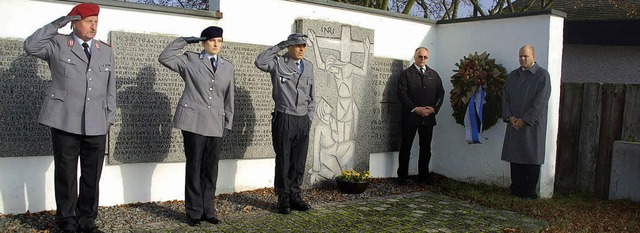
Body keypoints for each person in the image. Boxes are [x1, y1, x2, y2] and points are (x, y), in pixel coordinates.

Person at [23, 3, 114, 232]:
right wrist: (57, 24)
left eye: (96, 22)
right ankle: (66, 221)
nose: (94, 26)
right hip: (65, 120)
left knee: (92, 175)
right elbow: (31, 46)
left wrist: (108, 117)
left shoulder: (106, 50)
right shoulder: (58, 44)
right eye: (88, 21)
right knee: (66, 173)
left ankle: (86, 220)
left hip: (96, 121)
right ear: (75, 22)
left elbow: (110, 87)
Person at [158, 26, 234, 226]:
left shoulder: (227, 66)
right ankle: (193, 212)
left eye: (219, 40)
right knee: (194, 167)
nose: (216, 44)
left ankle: (208, 210)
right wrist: (184, 40)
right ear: (203, 42)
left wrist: (229, 121)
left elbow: (229, 97)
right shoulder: (190, 60)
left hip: (216, 123)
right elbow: (165, 57)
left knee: (211, 169)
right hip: (193, 122)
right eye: (211, 40)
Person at [255, 33, 315, 214]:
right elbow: (260, 62)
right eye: (297, 45)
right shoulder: (278, 63)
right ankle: (283, 196)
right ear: (290, 47)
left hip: (303, 118)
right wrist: (279, 45)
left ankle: (295, 194)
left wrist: (309, 116)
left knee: (299, 160)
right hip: (285, 116)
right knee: (284, 159)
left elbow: (312, 94)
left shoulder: (309, 67)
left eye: (303, 45)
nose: (301, 49)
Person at [501, 45, 551, 199]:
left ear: (533, 56)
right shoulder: (513, 76)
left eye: (526, 56)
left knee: (531, 157)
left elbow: (540, 102)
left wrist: (525, 120)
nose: (522, 59)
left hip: (532, 126)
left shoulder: (542, 76)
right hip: (514, 123)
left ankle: (529, 192)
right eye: (520, 56)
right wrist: (510, 117)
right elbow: (506, 98)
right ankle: (516, 189)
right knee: (515, 157)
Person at [397, 47, 445, 186]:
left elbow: (440, 93)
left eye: (425, 57)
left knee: (426, 148)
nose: (422, 59)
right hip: (410, 117)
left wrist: (434, 109)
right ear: (415, 56)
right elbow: (402, 93)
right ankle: (403, 177)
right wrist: (414, 108)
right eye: (420, 56)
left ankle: (423, 176)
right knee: (406, 147)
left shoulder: (433, 75)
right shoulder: (406, 74)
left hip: (428, 118)